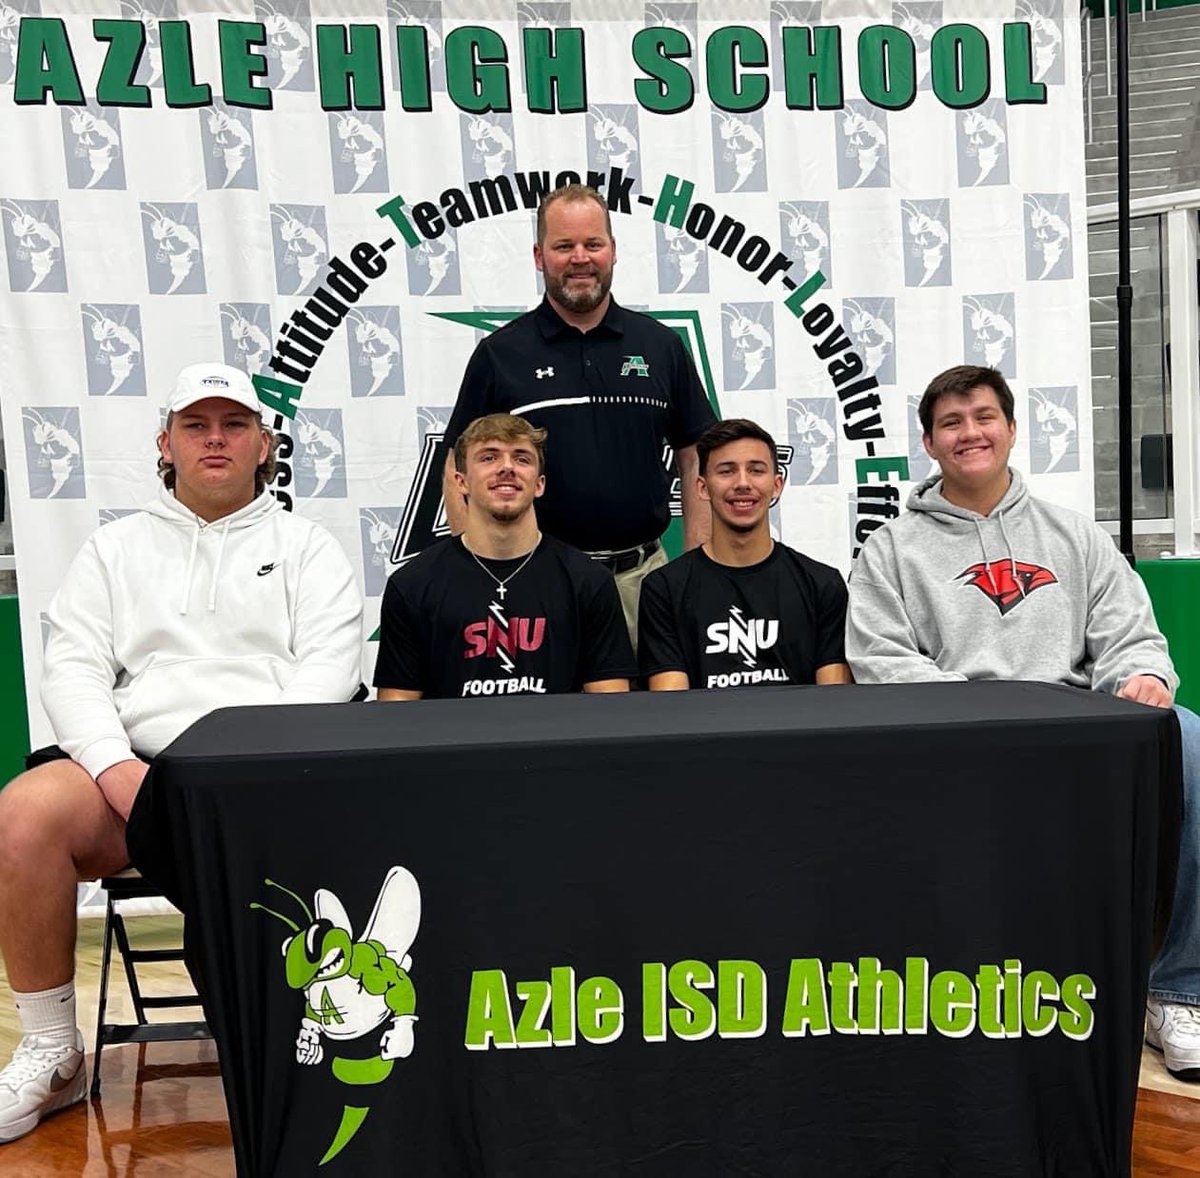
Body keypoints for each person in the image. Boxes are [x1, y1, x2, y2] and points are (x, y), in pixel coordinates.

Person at [0, 362, 364, 1142]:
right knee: (24, 814)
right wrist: (117, 769)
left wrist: (239, 772)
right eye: (196, 426)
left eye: (234, 425)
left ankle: (313, 1047)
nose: (216, 440)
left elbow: (330, 673)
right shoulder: (114, 550)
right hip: (137, 778)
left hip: (268, 780)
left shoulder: (308, 547)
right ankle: (54, 1052)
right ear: (164, 443)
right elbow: (73, 671)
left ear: (265, 445)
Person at [846, 363, 1200, 1079]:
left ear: (1010, 429)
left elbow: (1132, 635)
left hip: (1077, 725)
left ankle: (1176, 990)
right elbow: (879, 659)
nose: (969, 432)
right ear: (929, 442)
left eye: (983, 417)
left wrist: (1141, 679)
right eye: (951, 422)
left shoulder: (1074, 535)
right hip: (955, 731)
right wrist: (982, 714)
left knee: (1189, 740)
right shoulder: (890, 549)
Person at [440, 183, 718, 642]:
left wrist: (694, 567)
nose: (580, 258)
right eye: (563, 246)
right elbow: (456, 463)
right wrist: (480, 573)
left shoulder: (660, 346)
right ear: (538, 255)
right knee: (545, 714)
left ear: (613, 251)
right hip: (538, 582)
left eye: (593, 244)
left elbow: (696, 455)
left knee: (652, 711)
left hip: (643, 581)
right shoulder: (500, 354)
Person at [377, 413, 635, 699]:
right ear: (460, 481)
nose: (507, 467)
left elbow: (611, 710)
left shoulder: (589, 582)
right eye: (489, 457)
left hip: (556, 742)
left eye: (522, 458)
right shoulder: (413, 585)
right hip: (455, 742)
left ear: (539, 484)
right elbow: (396, 715)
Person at [638, 418, 851, 691]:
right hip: (705, 733)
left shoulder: (823, 585)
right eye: (726, 471)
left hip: (798, 732)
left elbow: (832, 706)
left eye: (756, 470)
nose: (742, 483)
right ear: (702, 487)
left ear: (777, 485)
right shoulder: (663, 590)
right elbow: (672, 711)